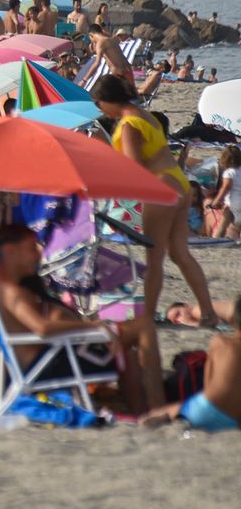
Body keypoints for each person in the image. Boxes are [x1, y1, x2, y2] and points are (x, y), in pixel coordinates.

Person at [0, 222, 164, 413]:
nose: (38, 253)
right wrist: (94, 327)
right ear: (11, 251)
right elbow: (42, 328)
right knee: (143, 326)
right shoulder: (10, 291)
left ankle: (142, 410)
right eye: (31, 248)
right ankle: (158, 409)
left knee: (126, 345)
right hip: (48, 366)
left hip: (38, 360)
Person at [93, 75, 219, 325]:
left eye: (99, 104)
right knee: (180, 253)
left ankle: (147, 316)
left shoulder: (128, 124)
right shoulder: (146, 116)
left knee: (154, 258)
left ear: (108, 100)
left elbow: (133, 167)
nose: (99, 110)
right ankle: (208, 313)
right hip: (179, 183)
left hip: (160, 188)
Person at [142, 320, 241, 432]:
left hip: (206, 408)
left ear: (233, 321)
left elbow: (207, 383)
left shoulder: (221, 342)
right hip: (233, 421)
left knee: (151, 416)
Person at [207, 147, 241, 240]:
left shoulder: (229, 173)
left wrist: (217, 200)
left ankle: (216, 240)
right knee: (237, 225)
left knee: (223, 224)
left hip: (233, 203)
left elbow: (226, 187)